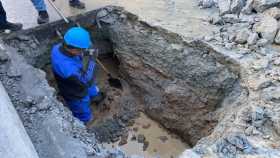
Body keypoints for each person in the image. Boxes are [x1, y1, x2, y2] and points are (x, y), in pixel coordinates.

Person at [51, 27, 103, 124]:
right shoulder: (67, 68)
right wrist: (92, 60)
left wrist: (88, 52)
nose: (84, 50)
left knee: (92, 88)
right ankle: (86, 121)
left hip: (79, 76)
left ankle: (95, 96)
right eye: (83, 49)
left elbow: (78, 53)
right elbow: (86, 80)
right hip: (75, 93)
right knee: (83, 110)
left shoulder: (58, 47)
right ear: (74, 50)